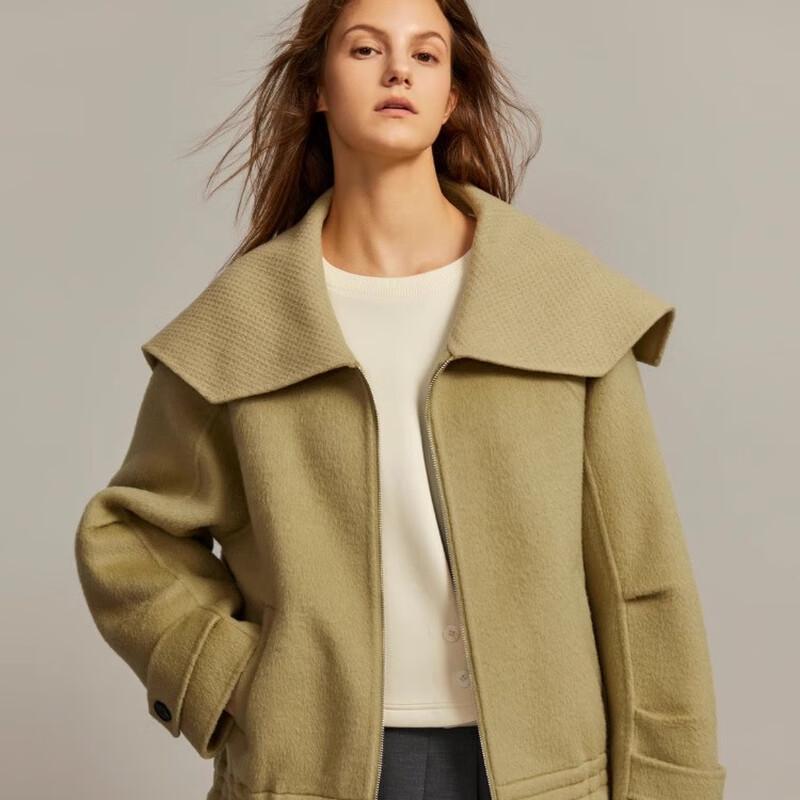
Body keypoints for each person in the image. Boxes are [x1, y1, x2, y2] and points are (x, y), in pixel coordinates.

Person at [74, 1, 727, 799]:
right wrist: (239, 681)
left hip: (546, 773)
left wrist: (671, 783)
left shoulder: (559, 302)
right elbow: (128, 536)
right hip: (315, 772)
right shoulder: (248, 323)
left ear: (451, 96)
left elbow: (643, 584)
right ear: (317, 87)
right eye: (365, 49)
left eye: (425, 55)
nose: (397, 72)